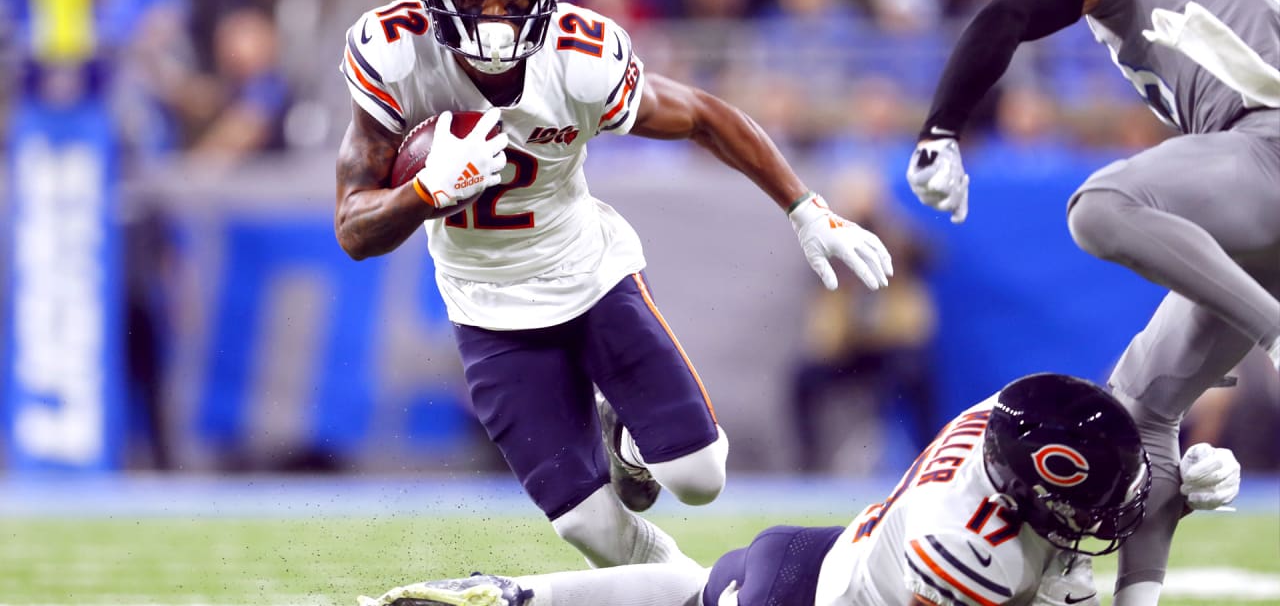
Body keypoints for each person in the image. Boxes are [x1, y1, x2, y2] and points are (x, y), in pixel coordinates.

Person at [333, 0, 893, 571]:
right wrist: (423, 192)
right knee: (590, 530)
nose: (496, 18)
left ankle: (627, 438)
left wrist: (804, 207)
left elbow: (704, 116)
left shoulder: (579, 58)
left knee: (699, 476)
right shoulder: (398, 55)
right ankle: (685, 588)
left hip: (590, 273)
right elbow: (354, 229)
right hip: (486, 305)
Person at [902, 0, 1278, 605]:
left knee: (1102, 207)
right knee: (1140, 414)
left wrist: (941, 127)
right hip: (1260, 187)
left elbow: (1009, 11)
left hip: (1270, 152)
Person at [353, 373, 1242, 606]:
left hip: (817, 558)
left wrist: (1171, 481)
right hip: (801, 594)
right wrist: (1161, 523)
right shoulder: (972, 557)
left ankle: (515, 597)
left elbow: (1097, 433)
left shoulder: (1002, 422)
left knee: (698, 591)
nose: (1103, 521)